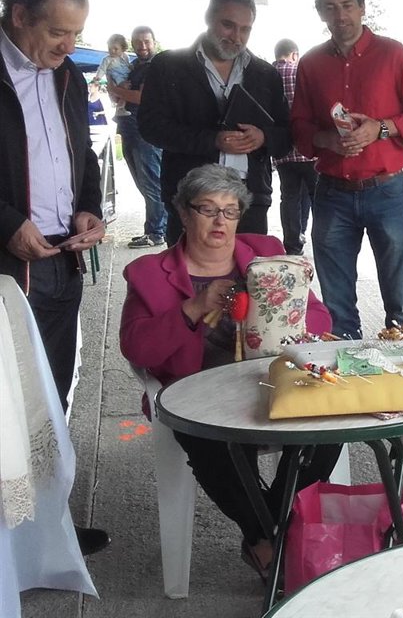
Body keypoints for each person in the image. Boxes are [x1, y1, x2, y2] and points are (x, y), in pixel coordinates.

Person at [119, 164, 340, 581]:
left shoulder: (267, 252)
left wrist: (289, 311)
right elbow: (137, 347)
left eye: (230, 210)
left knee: (327, 428)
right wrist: (195, 307)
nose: (221, 220)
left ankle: (272, 535)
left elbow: (319, 315)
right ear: (184, 214)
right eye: (207, 209)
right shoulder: (150, 274)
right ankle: (271, 540)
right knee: (212, 443)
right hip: (195, 391)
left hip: (273, 381)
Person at [0, 0, 110, 556]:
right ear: (19, 16)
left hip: (60, 257)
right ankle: (8, 542)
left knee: (51, 394)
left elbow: (82, 155)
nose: (69, 48)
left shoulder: (68, 78)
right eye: (57, 33)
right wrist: (7, 224)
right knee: (6, 405)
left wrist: (87, 207)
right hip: (7, 266)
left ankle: (47, 530)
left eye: (76, 34)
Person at [291, 0, 403, 338]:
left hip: (387, 190)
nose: (340, 15)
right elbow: (299, 129)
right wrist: (327, 139)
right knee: (336, 304)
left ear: (361, 7)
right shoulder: (310, 64)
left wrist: (381, 128)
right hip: (331, 193)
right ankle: (346, 379)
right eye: (330, 7)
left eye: (347, 5)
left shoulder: (394, 54)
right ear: (319, 12)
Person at [138, 0, 290, 246]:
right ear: (208, 19)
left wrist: (264, 137)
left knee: (247, 277)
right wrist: (212, 140)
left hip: (249, 199)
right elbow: (150, 126)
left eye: (246, 29)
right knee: (187, 280)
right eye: (228, 25)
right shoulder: (168, 66)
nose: (237, 37)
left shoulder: (265, 74)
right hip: (189, 198)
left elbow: (287, 136)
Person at [107, 26, 168, 248]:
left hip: (146, 132)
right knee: (143, 185)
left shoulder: (156, 66)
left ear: (154, 42)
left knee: (152, 184)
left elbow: (143, 97)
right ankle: (156, 227)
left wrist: (117, 89)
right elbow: (116, 94)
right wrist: (116, 90)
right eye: (138, 42)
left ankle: (157, 232)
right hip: (129, 129)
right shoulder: (131, 65)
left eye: (146, 41)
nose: (142, 46)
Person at [270, 38, 317, 255]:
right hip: (308, 150)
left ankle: (292, 243)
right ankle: (319, 238)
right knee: (316, 196)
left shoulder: (266, 75)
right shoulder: (302, 72)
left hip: (282, 150)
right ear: (294, 54)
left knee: (288, 196)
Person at [91, 33, 130, 117]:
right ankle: (119, 108)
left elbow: (127, 65)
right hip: (116, 77)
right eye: (110, 48)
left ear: (123, 49)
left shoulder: (125, 56)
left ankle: (121, 106)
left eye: (116, 49)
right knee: (126, 88)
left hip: (125, 75)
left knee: (128, 89)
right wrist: (97, 79)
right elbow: (102, 69)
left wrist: (130, 67)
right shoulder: (107, 59)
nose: (112, 51)